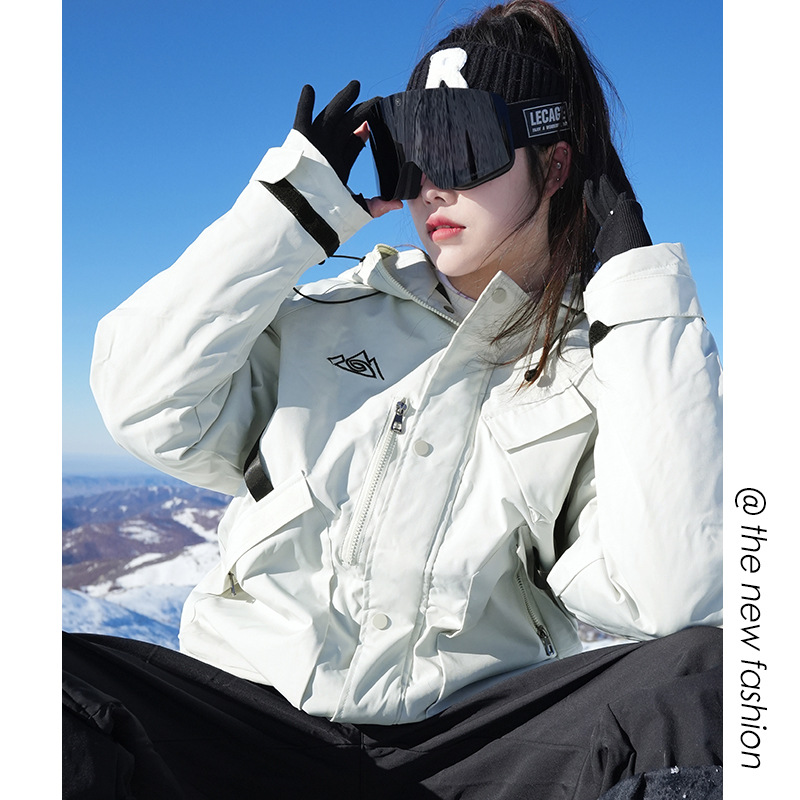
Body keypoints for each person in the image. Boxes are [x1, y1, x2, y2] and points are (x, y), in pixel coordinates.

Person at [64, 1, 723, 798]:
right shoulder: (318, 319)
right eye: (411, 152)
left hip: (470, 746)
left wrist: (639, 295)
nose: (431, 185)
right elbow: (143, 404)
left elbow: (673, 595)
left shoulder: (603, 367)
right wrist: (291, 211)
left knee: (714, 688)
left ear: (554, 166)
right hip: (245, 723)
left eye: (462, 145)